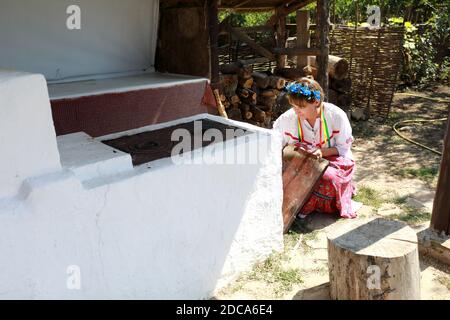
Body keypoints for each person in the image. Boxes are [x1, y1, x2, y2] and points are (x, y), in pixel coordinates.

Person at [273, 77, 357, 219]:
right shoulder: (287, 119)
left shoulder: (336, 116)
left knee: (328, 179)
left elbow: (343, 148)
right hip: (298, 162)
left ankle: (324, 198)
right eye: (293, 106)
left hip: (333, 159)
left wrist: (321, 152)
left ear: (316, 102)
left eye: (301, 107)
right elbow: (275, 147)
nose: (296, 111)